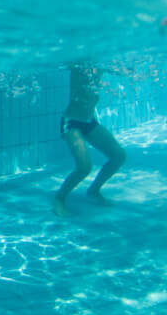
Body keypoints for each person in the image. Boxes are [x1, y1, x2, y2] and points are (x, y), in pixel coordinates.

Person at [53, 65, 127, 216]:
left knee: (119, 156)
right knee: (84, 167)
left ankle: (93, 191)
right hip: (71, 121)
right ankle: (59, 198)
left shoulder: (102, 63)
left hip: (89, 121)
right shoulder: (79, 64)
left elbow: (122, 69)